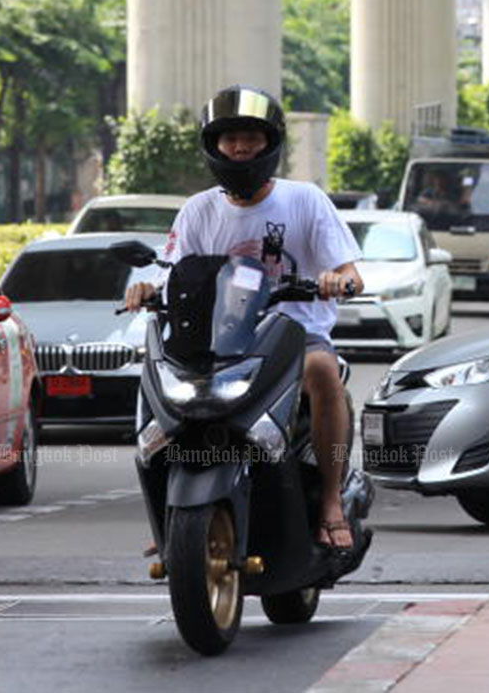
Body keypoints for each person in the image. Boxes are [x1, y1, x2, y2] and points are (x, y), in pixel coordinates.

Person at [124, 85, 364, 550]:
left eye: (250, 137)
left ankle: (331, 501)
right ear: (213, 146)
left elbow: (349, 269)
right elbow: (169, 273)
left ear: (270, 143)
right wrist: (147, 289)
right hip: (216, 342)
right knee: (160, 385)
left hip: (293, 335)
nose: (239, 147)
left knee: (323, 372)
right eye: (229, 137)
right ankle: (170, 510)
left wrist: (340, 280)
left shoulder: (305, 200)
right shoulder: (198, 210)